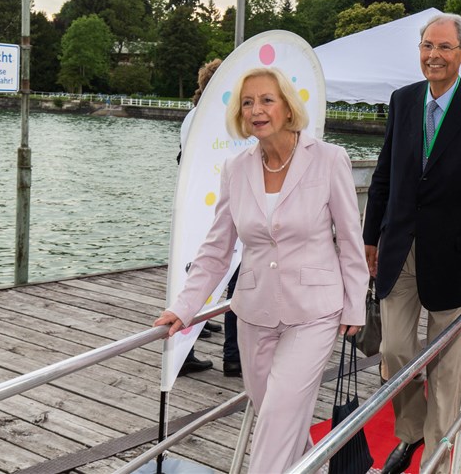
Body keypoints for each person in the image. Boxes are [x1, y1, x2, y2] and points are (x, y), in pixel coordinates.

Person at [155, 66, 369, 473]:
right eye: (248, 102)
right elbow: (217, 249)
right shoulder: (236, 168)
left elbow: (349, 238)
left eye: (267, 99)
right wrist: (184, 308)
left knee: (276, 418)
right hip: (253, 314)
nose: (257, 109)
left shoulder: (328, 159)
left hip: (315, 312)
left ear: (288, 108)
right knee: (279, 416)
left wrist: (354, 305)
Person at [363, 13, 461, 473]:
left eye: (444, 48)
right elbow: (384, 176)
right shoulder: (402, 101)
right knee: (394, 350)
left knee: (448, 368)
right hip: (400, 250)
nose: (433, 55)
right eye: (427, 46)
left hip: (459, 262)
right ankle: (411, 432)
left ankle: (436, 456)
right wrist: (370, 236)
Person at [177, 59, 224, 377]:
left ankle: (197, 324)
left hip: (199, 201)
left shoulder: (195, 115)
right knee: (199, 269)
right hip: (206, 204)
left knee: (197, 268)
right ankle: (186, 348)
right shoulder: (208, 118)